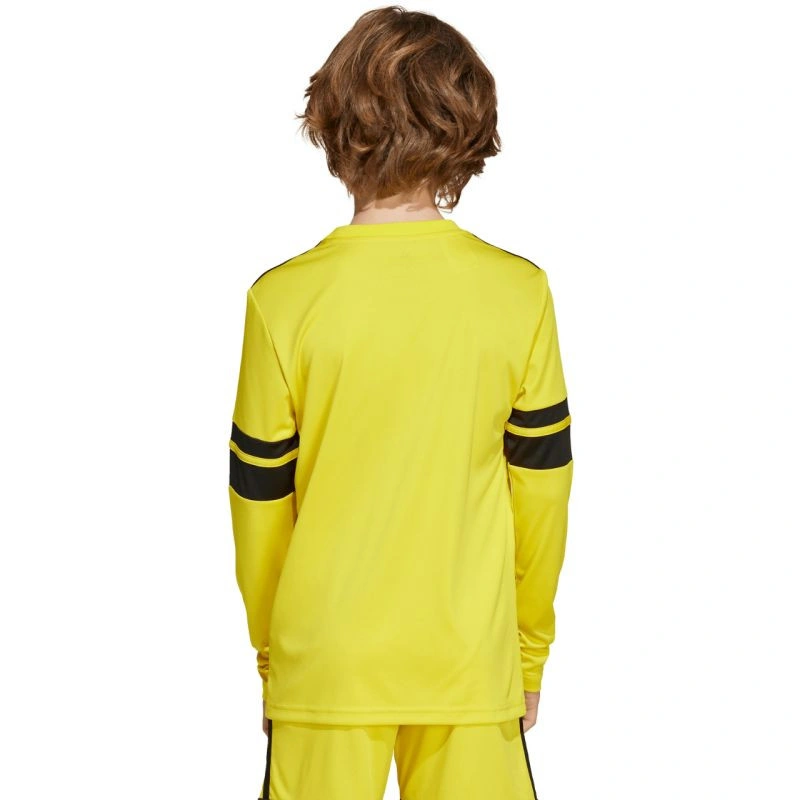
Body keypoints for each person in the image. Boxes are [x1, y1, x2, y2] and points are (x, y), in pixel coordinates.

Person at [227, 6, 574, 799]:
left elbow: (258, 503)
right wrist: (526, 656)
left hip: (328, 658)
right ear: (468, 129)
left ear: (331, 122)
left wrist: (277, 663)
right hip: (467, 657)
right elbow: (542, 495)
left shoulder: (282, 301)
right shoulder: (518, 294)